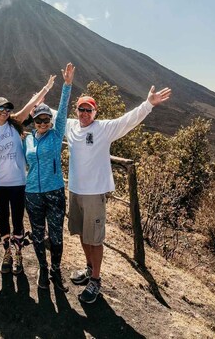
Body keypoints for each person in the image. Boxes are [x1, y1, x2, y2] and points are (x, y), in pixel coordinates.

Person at [66, 83, 172, 303]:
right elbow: (51, 113)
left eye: (89, 110)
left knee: (95, 239)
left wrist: (148, 105)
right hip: (75, 191)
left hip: (94, 194)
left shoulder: (104, 129)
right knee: (83, 235)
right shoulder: (70, 126)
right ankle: (89, 268)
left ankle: (95, 279)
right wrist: (37, 101)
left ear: (95, 113)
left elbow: (127, 120)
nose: (85, 113)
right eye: (81, 109)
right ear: (76, 111)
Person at [0, 77, 57, 275]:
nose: (5, 112)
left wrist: (46, 87)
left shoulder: (15, 124)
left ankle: (18, 254)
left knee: (17, 219)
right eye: (2, 108)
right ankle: (6, 252)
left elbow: (31, 104)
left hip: (18, 182)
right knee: (3, 219)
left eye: (8, 109)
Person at [24, 63, 74, 290]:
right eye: (39, 120)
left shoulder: (55, 135)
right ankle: (42, 270)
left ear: (51, 121)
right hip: (32, 193)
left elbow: (62, 110)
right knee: (36, 235)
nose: (43, 123)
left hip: (54, 192)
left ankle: (55, 270)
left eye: (46, 120)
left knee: (56, 235)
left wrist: (67, 85)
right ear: (34, 122)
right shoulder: (27, 139)